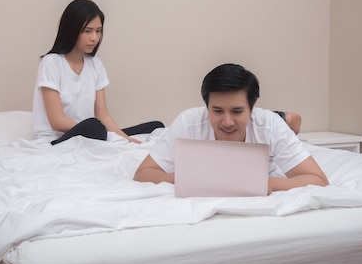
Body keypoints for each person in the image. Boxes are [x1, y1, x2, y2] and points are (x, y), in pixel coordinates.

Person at [133, 63, 328, 193]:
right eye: (217, 111)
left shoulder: (269, 125)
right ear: (206, 107)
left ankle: (287, 118)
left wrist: (269, 183)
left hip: (270, 122)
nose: (227, 121)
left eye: (237, 111)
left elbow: (318, 179)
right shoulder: (188, 122)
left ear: (251, 108)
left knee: (281, 122)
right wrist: (183, 178)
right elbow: (143, 173)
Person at [32, 0, 164, 145]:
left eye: (98, 31)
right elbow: (57, 121)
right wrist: (97, 132)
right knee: (95, 127)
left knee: (155, 126)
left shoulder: (95, 65)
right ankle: (99, 133)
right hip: (58, 138)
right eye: (87, 31)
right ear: (72, 30)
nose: (94, 38)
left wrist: (126, 140)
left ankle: (102, 134)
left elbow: (103, 115)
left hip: (92, 132)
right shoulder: (52, 63)